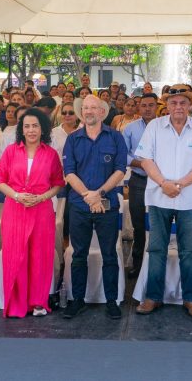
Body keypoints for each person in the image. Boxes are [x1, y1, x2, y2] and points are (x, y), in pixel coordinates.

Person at [134, 85, 192, 318]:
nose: (178, 107)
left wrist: (180, 184)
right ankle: (152, 297)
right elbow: (145, 159)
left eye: (182, 103)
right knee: (157, 248)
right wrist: (164, 183)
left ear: (189, 106)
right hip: (159, 197)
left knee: (188, 250)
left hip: (188, 199)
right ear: (166, 106)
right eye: (173, 103)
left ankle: (191, 299)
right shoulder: (154, 127)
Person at [61, 95, 127, 320]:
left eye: (93, 108)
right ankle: (77, 300)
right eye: (85, 108)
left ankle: (112, 301)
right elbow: (69, 172)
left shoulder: (116, 137)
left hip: (106, 205)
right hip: (80, 206)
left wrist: (98, 194)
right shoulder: (72, 139)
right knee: (78, 255)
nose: (89, 111)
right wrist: (88, 196)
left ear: (102, 112)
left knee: (110, 255)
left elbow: (120, 170)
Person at [0, 109, 64, 317]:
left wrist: (42, 197)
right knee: (16, 255)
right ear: (21, 129)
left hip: (42, 209)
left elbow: (58, 184)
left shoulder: (50, 154)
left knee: (40, 256)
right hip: (15, 209)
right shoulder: (11, 151)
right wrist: (16, 196)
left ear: (43, 129)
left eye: (35, 126)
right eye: (27, 126)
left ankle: (38, 301)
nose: (31, 130)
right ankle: (17, 303)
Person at [123, 93, 157, 278]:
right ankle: (137, 264)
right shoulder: (130, 129)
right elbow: (123, 153)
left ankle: (156, 264)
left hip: (160, 181)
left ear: (157, 106)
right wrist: (141, 163)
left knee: (158, 223)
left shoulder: (165, 127)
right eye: (144, 105)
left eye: (151, 105)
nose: (147, 108)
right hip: (139, 180)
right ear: (139, 107)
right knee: (138, 224)